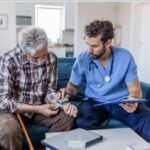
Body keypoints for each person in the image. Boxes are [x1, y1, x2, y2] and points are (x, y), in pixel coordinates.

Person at [63, 20, 150, 142]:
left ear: (108, 42)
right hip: (94, 101)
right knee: (82, 121)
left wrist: (132, 100)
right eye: (87, 44)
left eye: (94, 46)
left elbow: (135, 90)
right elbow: (72, 86)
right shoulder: (83, 58)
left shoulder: (125, 57)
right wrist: (65, 94)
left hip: (120, 102)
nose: (89, 50)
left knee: (147, 120)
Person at [0, 27, 77, 150]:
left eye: (44, 54)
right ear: (23, 51)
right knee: (8, 129)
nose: (41, 62)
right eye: (35, 58)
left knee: (66, 118)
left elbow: (50, 91)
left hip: (40, 107)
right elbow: (3, 101)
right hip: (13, 111)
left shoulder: (52, 58)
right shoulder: (8, 60)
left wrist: (62, 103)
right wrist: (37, 109)